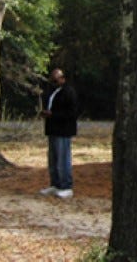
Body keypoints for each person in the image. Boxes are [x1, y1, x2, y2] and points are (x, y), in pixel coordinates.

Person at [39, 68, 79, 199]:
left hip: (63, 130)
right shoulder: (52, 91)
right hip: (52, 129)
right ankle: (55, 184)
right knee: (53, 159)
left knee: (63, 159)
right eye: (52, 79)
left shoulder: (68, 92)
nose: (54, 82)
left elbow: (72, 113)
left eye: (56, 79)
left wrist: (54, 115)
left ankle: (66, 186)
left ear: (63, 78)